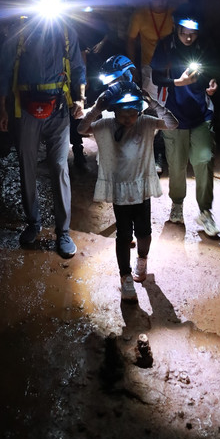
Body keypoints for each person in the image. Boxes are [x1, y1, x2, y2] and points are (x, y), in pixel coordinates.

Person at [77, 76, 178, 302]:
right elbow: (82, 128)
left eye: (133, 113)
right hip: (120, 191)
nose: (129, 119)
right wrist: (97, 108)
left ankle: (142, 259)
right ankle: (126, 278)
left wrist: (152, 103)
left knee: (144, 232)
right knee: (124, 235)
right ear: (114, 111)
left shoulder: (145, 122)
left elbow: (172, 124)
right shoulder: (106, 125)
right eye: (123, 114)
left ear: (139, 111)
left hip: (141, 186)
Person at [0, 11, 85, 257]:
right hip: (25, 110)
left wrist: (80, 98)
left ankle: (63, 231)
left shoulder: (66, 32)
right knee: (27, 167)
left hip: (57, 110)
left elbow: (78, 67)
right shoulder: (19, 33)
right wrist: (1, 109)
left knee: (59, 167)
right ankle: (33, 222)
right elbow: (4, 71)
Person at [150, 5, 220, 237]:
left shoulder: (203, 46)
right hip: (174, 115)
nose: (188, 37)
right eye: (184, 32)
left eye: (193, 33)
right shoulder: (166, 46)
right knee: (177, 164)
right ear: (176, 28)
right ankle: (177, 204)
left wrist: (212, 85)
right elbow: (156, 77)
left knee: (204, 159)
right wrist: (175, 83)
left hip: (200, 114)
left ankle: (205, 211)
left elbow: (212, 72)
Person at [126, 0, 174, 172]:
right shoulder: (140, 15)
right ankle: (154, 155)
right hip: (149, 69)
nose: (161, 2)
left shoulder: (174, 13)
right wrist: (131, 66)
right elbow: (130, 40)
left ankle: (168, 153)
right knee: (152, 110)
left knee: (170, 111)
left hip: (172, 70)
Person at [70, 7, 110, 167]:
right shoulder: (72, 25)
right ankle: (78, 150)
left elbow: (108, 34)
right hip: (80, 74)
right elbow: (81, 54)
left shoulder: (99, 19)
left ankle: (104, 148)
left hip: (95, 71)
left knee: (96, 107)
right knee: (77, 111)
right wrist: (82, 79)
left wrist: (102, 42)